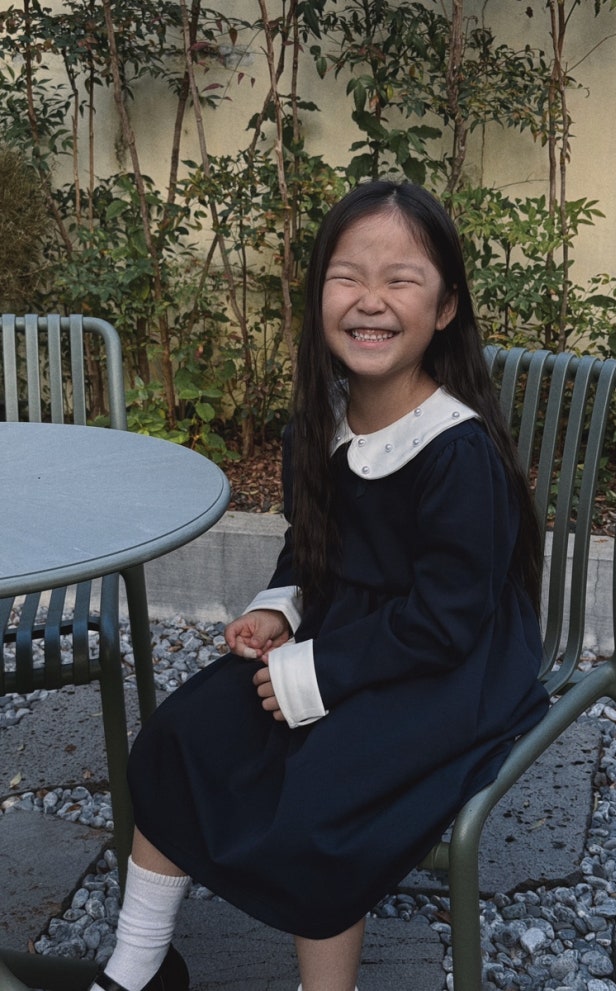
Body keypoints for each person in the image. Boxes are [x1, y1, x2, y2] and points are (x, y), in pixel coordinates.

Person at [91, 180, 549, 991]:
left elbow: (448, 618)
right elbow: (311, 548)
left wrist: (317, 671)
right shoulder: (318, 421)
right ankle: (139, 965)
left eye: (401, 279)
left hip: (451, 666)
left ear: (445, 307)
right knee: (179, 734)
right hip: (348, 637)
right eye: (348, 277)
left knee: (321, 804)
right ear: (317, 296)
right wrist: (281, 607)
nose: (371, 300)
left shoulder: (457, 452)